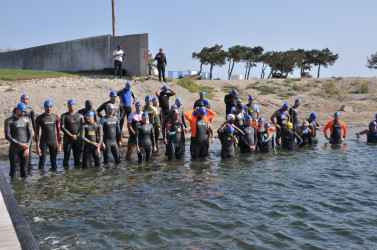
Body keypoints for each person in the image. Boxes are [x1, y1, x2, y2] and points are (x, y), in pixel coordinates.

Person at [5, 103, 32, 177]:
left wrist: (27, 147)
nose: (23, 113)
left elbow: (30, 134)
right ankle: (12, 187)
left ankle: (24, 187)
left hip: (25, 148)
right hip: (14, 148)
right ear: (17, 110)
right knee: (13, 170)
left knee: (24, 171)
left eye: (24, 112)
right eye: (21, 111)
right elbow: (7, 136)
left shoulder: (26, 120)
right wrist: (20, 144)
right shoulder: (9, 120)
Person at [35, 100, 62, 170]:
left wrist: (60, 145)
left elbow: (59, 131)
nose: (49, 108)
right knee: (42, 161)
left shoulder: (56, 117)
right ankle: (41, 177)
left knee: (54, 162)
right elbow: (36, 133)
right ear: (44, 107)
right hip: (43, 141)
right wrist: (37, 147)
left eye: (50, 106)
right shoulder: (39, 118)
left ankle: (53, 179)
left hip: (53, 141)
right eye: (47, 106)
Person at [12, 94, 36, 170]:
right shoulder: (16, 109)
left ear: (28, 100)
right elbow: (13, 121)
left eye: (26, 99)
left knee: (27, 151)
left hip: (27, 133)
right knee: (18, 151)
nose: (25, 100)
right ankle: (18, 166)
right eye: (23, 99)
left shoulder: (31, 110)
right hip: (19, 133)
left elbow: (33, 122)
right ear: (21, 99)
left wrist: (36, 133)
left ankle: (28, 167)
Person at [60, 99, 84, 168]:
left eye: (73, 104)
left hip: (77, 139)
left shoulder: (80, 116)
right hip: (68, 139)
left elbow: (82, 126)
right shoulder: (64, 115)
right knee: (66, 156)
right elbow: (62, 127)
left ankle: (77, 174)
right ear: (67, 106)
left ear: (75, 105)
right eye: (70, 104)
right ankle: (66, 173)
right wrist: (71, 135)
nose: (71, 106)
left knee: (77, 157)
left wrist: (77, 135)